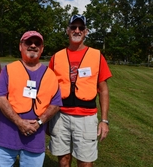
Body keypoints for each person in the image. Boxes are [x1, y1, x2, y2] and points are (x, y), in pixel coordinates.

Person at [48, 14, 112, 167]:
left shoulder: (96, 56)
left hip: (86, 118)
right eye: (73, 27)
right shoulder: (56, 57)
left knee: (85, 162)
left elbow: (103, 90)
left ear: (86, 31)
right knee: (63, 160)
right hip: (60, 116)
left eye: (81, 28)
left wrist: (104, 121)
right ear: (67, 30)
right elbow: (48, 89)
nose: (77, 30)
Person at [0, 31, 62, 167]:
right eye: (28, 42)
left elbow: (56, 104)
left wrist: (39, 123)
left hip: (35, 139)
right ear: (20, 46)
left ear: (42, 48)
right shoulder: (8, 70)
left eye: (37, 43)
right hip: (6, 137)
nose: (33, 45)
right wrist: (19, 122)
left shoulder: (50, 75)